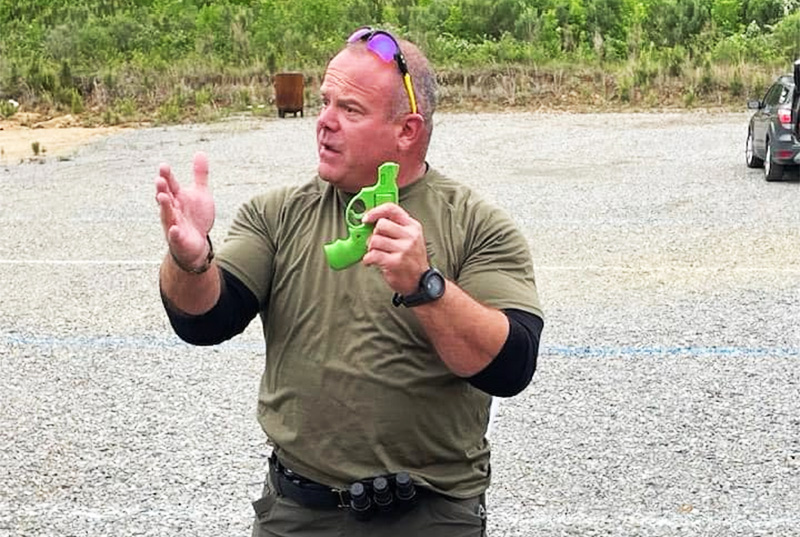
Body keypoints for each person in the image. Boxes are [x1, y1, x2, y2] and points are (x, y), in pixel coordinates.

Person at [155, 26, 543, 537]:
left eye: (350, 110)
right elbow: (205, 320)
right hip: (296, 513)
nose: (323, 122)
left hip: (429, 516)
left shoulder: (475, 223)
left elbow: (511, 366)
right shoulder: (276, 214)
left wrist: (425, 285)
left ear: (407, 130)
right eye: (324, 102)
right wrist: (191, 259)